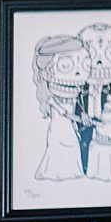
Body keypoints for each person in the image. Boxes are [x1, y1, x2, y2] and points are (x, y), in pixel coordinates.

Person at [32, 34, 90, 181]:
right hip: (61, 126)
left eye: (85, 65)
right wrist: (77, 118)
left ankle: (73, 171)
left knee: (72, 144)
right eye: (66, 65)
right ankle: (57, 172)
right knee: (65, 144)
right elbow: (63, 113)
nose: (78, 73)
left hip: (70, 125)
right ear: (46, 72)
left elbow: (78, 105)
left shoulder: (75, 92)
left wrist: (83, 115)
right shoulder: (51, 97)